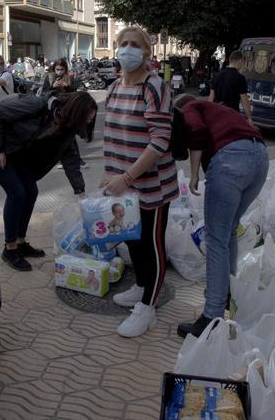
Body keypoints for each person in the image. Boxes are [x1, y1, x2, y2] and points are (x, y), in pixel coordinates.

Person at [103, 26, 178, 339]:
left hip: (153, 186)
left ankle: (147, 310)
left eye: (135, 45)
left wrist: (127, 176)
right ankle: (142, 286)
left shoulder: (154, 87)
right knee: (133, 240)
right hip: (124, 186)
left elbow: (160, 141)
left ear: (147, 53)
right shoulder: (113, 88)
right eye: (123, 44)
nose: (128, 49)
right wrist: (109, 175)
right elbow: (111, 137)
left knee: (152, 246)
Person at [174, 95, 268, 339]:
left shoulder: (191, 107)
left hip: (231, 160)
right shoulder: (221, 110)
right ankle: (227, 293)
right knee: (228, 231)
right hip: (260, 158)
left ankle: (211, 318)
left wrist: (194, 173)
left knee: (216, 238)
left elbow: (196, 131)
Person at [0, 92, 98, 271]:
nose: (88, 121)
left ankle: (20, 241)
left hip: (17, 154)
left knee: (31, 191)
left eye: (91, 118)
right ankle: (10, 249)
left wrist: (81, 193)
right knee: (16, 193)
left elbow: (71, 159)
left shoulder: (67, 128)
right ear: (76, 111)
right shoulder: (38, 105)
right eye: (87, 117)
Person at [38, 58, 86, 196]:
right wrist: (53, 87)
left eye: (61, 69)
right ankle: (79, 187)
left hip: (67, 116)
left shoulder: (70, 79)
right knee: (66, 145)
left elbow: (76, 94)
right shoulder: (49, 78)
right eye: (57, 69)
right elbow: (43, 95)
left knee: (69, 145)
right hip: (54, 116)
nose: (59, 72)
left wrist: (66, 87)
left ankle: (80, 189)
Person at [208, 50, 253, 125]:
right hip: (232, 116)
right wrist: (249, 118)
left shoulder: (216, 76)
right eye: (243, 63)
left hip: (217, 114)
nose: (243, 65)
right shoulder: (240, 78)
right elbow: (244, 100)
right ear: (240, 61)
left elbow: (211, 98)